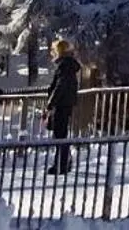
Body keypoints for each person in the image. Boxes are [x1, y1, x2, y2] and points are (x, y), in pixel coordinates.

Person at [44, 38, 80, 174]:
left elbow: (60, 86)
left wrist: (51, 102)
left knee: (60, 135)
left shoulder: (64, 67)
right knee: (60, 133)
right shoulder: (68, 66)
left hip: (61, 104)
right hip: (66, 103)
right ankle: (64, 161)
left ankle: (62, 164)